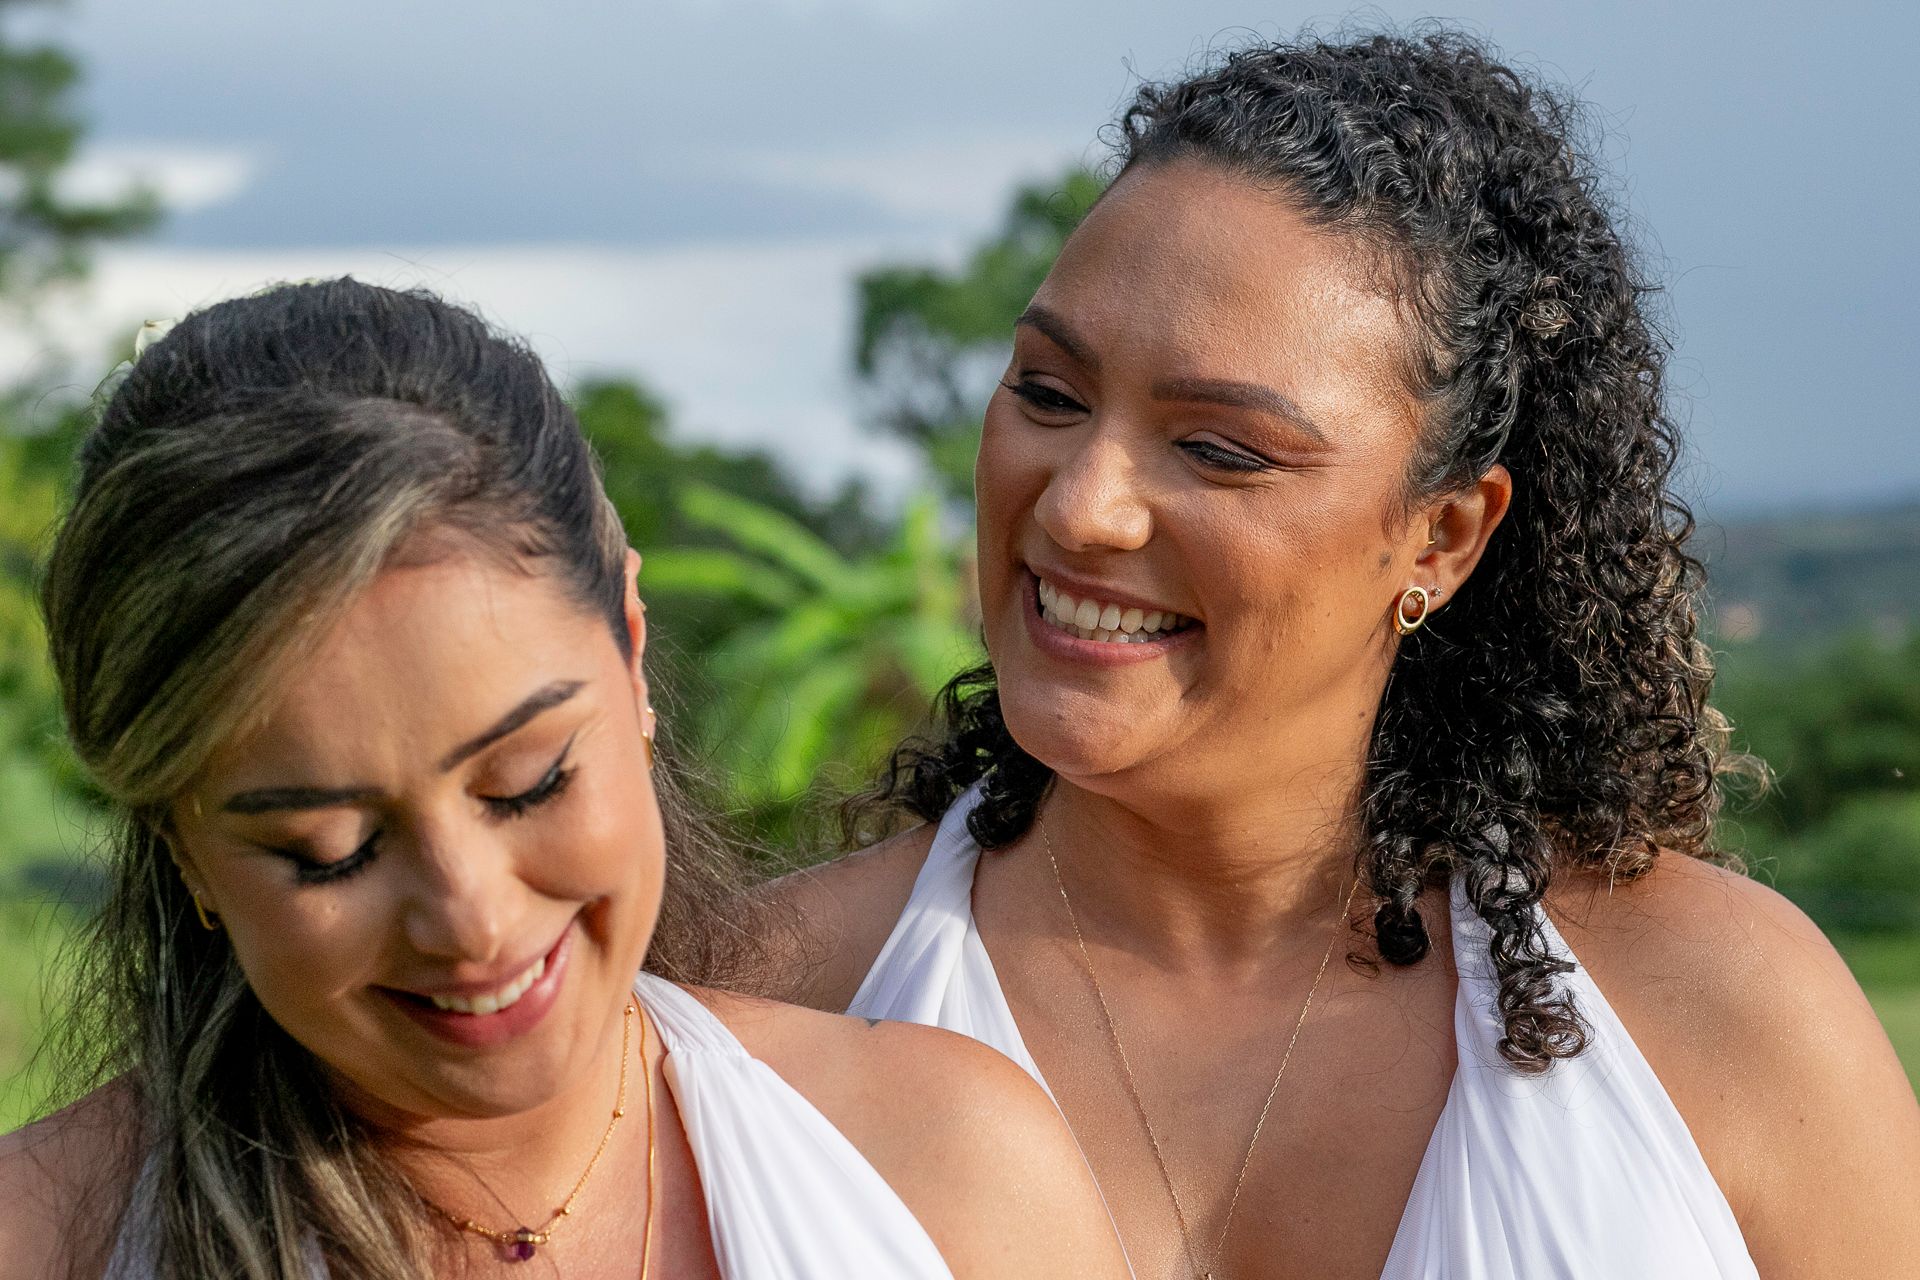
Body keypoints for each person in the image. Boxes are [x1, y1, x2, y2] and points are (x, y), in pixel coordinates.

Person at [766, 30, 1920, 1280]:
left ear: (1442, 535)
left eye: (1221, 448)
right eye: (1048, 392)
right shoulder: (762, 998)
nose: (1081, 506)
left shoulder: (1726, 1020)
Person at [0, 279, 1130, 1280]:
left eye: (529, 781)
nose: (472, 917)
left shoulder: (943, 1170)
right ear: (181, 843)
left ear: (633, 648)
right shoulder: (40, 1237)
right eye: (331, 848)